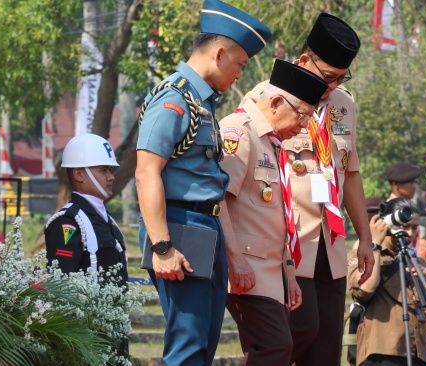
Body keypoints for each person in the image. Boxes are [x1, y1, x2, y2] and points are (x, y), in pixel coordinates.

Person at [134, 1, 271, 364]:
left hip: (204, 227)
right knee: (188, 345)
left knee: (205, 344)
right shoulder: (174, 99)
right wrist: (162, 246)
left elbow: (208, 181)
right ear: (220, 53)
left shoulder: (201, 102)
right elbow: (146, 171)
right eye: (240, 64)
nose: (240, 74)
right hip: (180, 230)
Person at [241, 13, 374, 365]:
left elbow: (352, 174)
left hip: (330, 246)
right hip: (288, 241)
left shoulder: (344, 105)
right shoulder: (267, 98)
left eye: (340, 78)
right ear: (303, 61)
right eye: (327, 76)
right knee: (297, 333)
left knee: (326, 348)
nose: (331, 86)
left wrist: (365, 237)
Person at [219, 60, 327, 365]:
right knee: (274, 347)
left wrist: (288, 273)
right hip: (245, 269)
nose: (306, 125)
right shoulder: (237, 131)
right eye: (303, 114)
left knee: (278, 347)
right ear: (277, 103)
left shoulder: (272, 142)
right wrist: (236, 259)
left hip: (270, 271)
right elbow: (220, 200)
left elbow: (275, 215)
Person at [44, 134, 129, 357]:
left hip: (112, 333)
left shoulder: (106, 220)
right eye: (104, 170)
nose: (111, 177)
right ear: (79, 174)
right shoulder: (68, 222)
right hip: (86, 340)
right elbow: (62, 287)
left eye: (110, 170)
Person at [348, 198, 426, 366]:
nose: (410, 233)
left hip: (421, 354)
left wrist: (422, 281)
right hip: (383, 353)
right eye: (405, 226)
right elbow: (365, 289)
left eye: (414, 228)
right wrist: (374, 245)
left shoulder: (418, 262)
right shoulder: (363, 254)